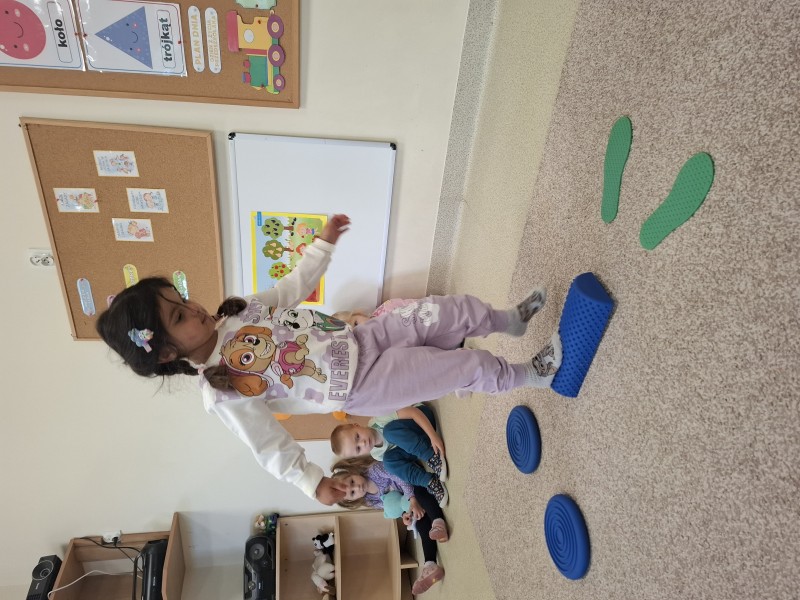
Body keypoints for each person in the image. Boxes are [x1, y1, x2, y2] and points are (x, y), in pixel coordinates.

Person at [96, 213, 562, 506]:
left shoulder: (236, 312)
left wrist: (322, 245)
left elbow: (290, 289)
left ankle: (508, 320)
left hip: (364, 334)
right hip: (363, 383)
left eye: (182, 299)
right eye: (180, 316)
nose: (194, 308)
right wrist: (311, 481)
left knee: (444, 311)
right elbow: (268, 446)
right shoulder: (222, 390)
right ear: (168, 353)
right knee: (459, 369)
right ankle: (530, 374)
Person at [332, 456, 449, 595]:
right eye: (353, 492)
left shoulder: (374, 470)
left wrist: (412, 499)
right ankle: (430, 564)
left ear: (353, 471)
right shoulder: (370, 500)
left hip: (411, 478)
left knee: (420, 493)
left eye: (352, 481)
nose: (357, 487)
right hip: (407, 500)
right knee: (420, 522)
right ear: (354, 500)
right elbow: (392, 505)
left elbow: (400, 477)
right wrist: (405, 514)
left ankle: (437, 521)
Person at [331, 403, 450, 507]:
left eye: (357, 437)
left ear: (356, 425)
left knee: (389, 432)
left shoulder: (379, 419)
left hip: (423, 421)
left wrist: (433, 436)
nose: (363, 443)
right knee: (388, 462)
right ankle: (430, 481)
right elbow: (403, 460)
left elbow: (415, 413)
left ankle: (432, 457)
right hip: (419, 444)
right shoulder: (376, 454)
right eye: (358, 449)